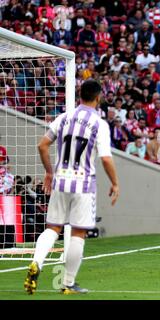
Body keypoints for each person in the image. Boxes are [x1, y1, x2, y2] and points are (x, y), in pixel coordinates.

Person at [24, 80, 120, 295]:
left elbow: (42, 145)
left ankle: (36, 263)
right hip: (84, 184)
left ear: (80, 96)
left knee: (52, 228)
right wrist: (115, 182)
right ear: (98, 98)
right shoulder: (99, 123)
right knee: (78, 232)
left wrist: (49, 171)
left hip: (60, 181)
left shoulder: (64, 118)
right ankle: (67, 283)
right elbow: (105, 158)